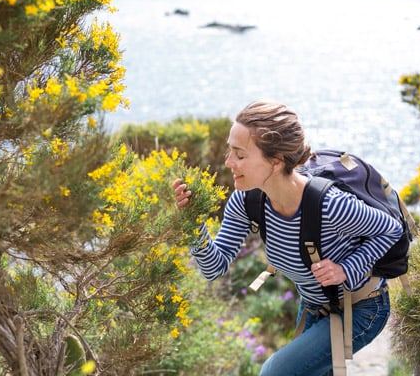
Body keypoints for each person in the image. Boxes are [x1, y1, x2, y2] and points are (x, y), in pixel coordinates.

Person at [172, 100, 402, 376]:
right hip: (314, 308)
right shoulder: (246, 201)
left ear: (276, 160)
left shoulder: (330, 205)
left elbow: (391, 228)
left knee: (274, 372)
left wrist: (345, 269)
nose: (228, 162)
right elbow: (213, 268)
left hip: (361, 308)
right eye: (229, 152)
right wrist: (193, 221)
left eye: (240, 155)